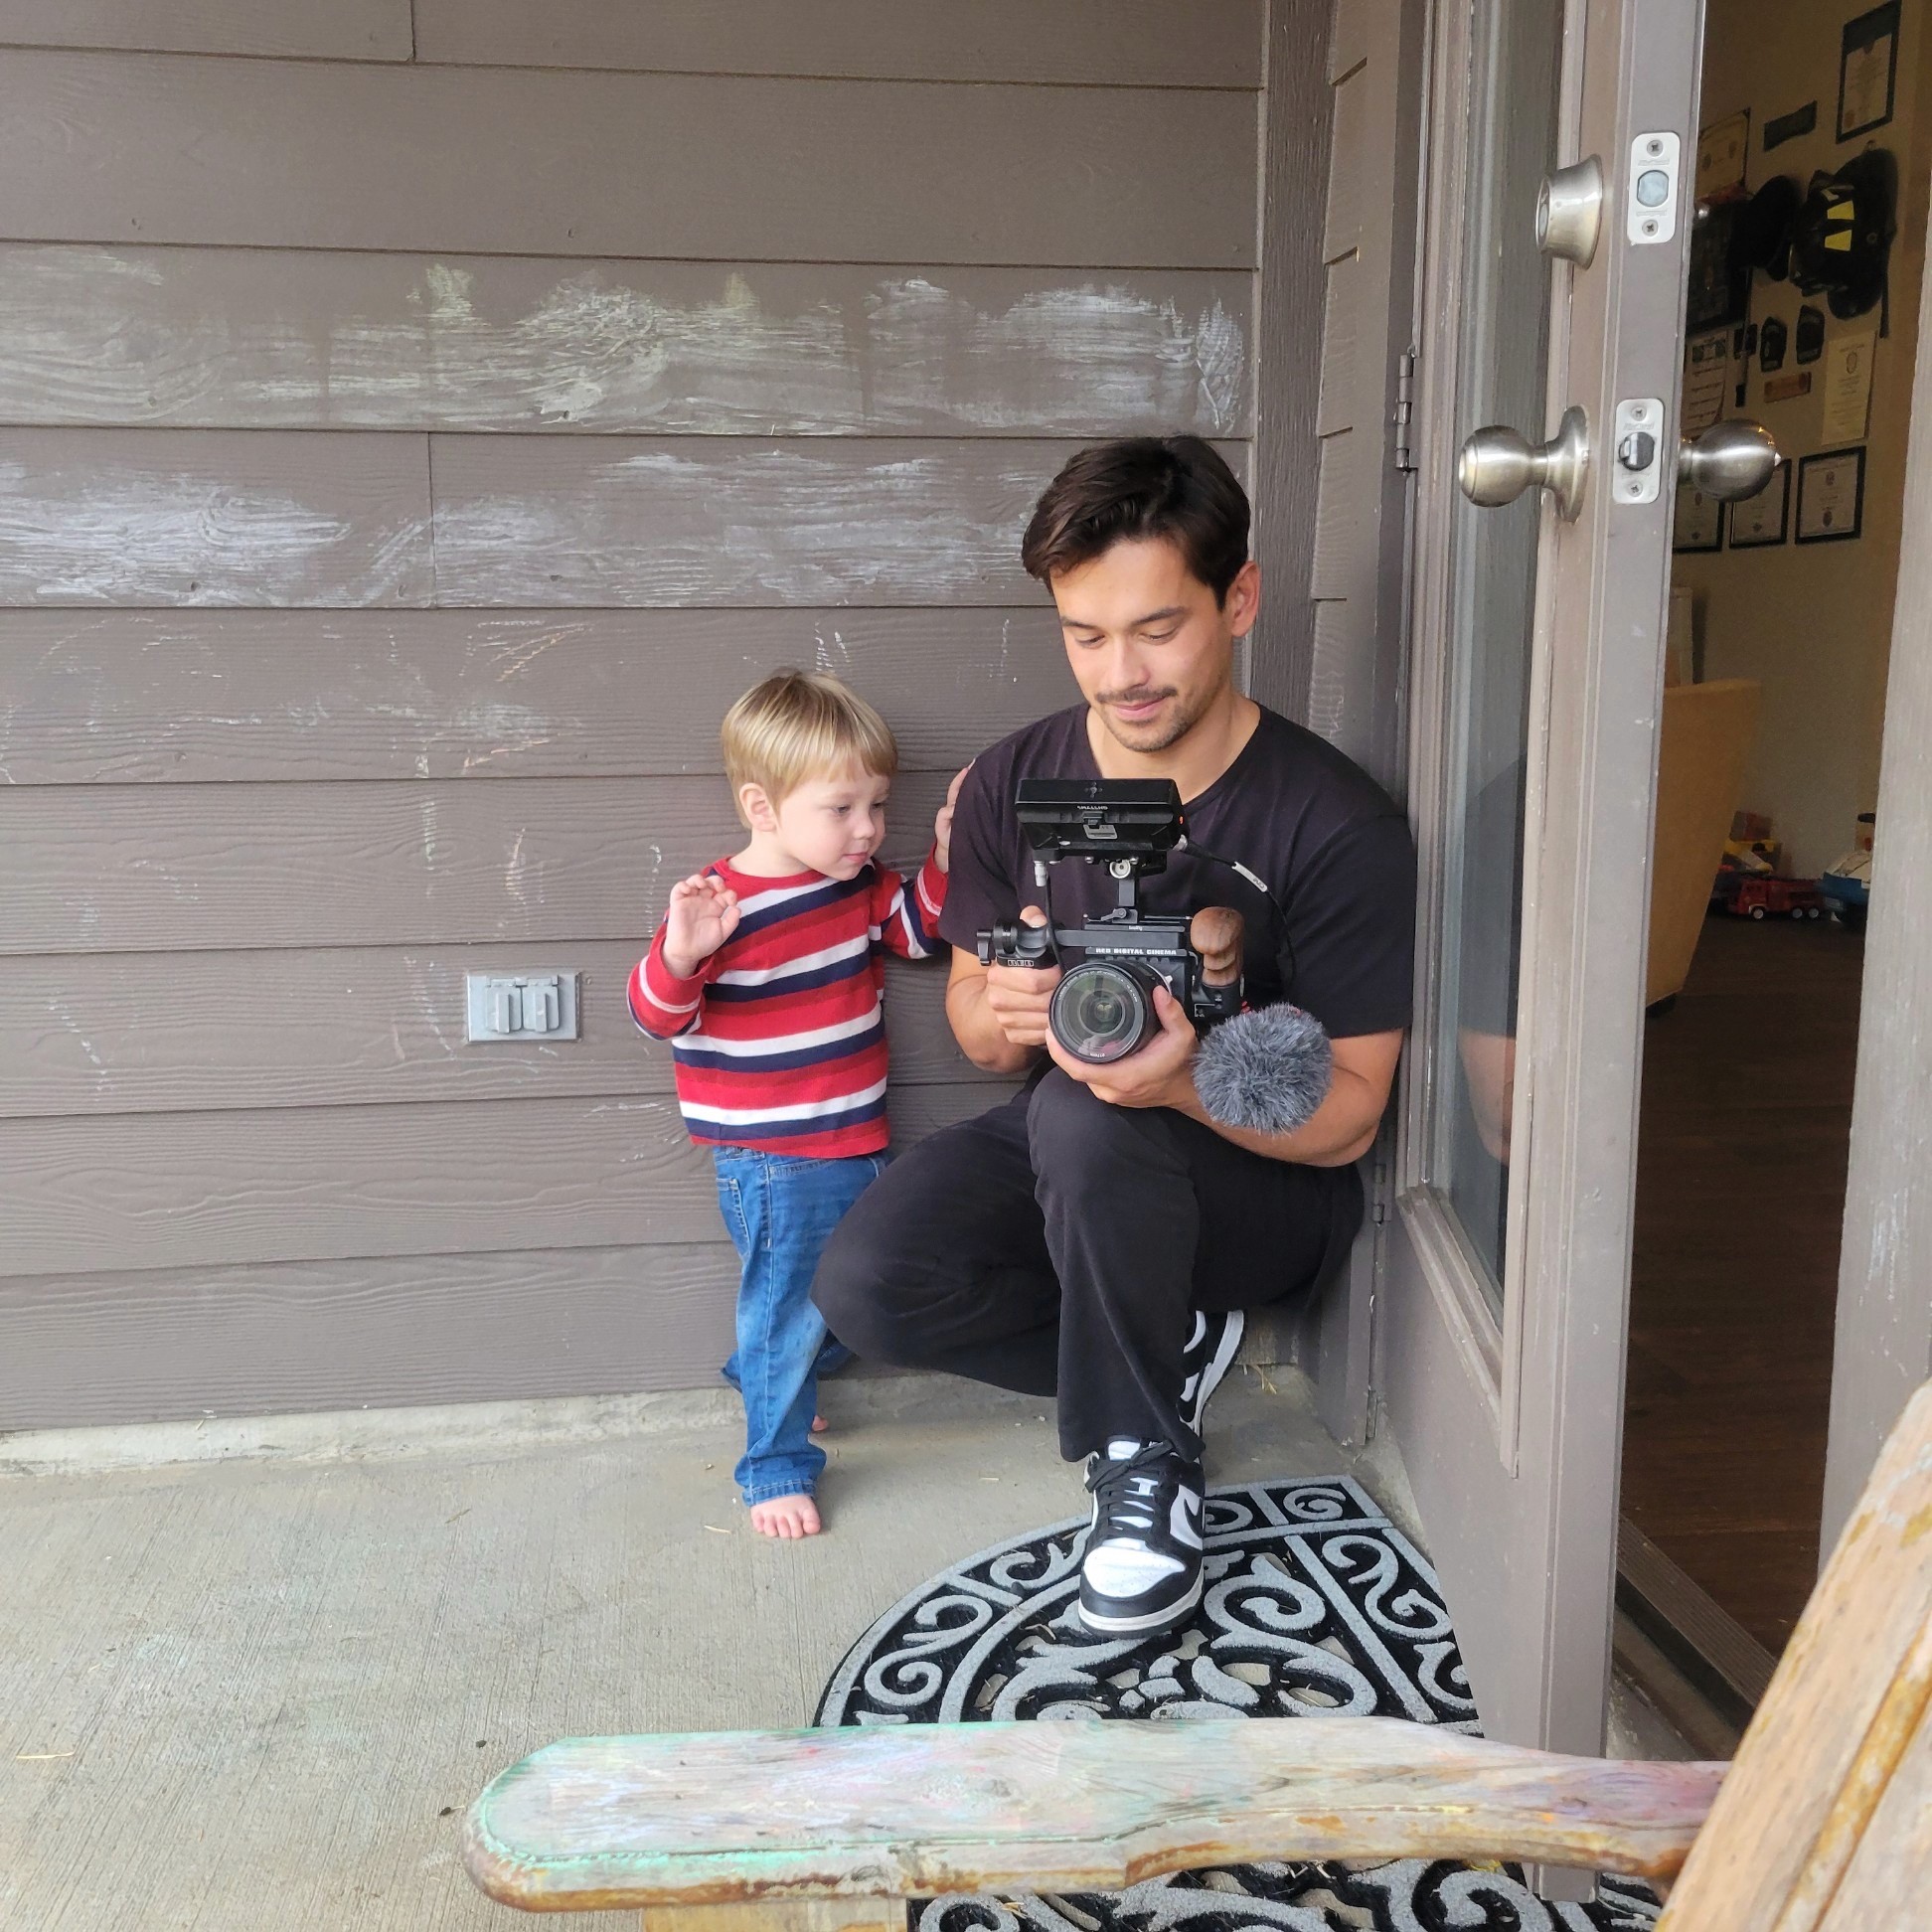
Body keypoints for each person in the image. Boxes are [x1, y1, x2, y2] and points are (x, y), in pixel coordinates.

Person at [813, 437, 1416, 1635]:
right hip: (1082, 1151)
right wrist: (1003, 1007)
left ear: (1237, 599)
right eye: (1086, 635)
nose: (1120, 672)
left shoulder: (1333, 819)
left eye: (1156, 628)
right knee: (869, 1283)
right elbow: (984, 1042)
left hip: (1263, 1190)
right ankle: (1161, 1341)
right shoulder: (1010, 786)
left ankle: (1142, 1461)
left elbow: (1350, 1118)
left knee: (1086, 1105)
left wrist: (1184, 1080)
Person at [629, 670, 963, 1540]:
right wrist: (681, 953)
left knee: (845, 1297)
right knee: (791, 1304)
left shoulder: (854, 885)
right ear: (763, 807)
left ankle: (766, 1367)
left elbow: (921, 930)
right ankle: (773, 1465)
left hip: (857, 1139)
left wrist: (945, 857)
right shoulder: (717, 907)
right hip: (774, 1161)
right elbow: (655, 1015)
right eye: (843, 809)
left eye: (878, 807)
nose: (866, 829)